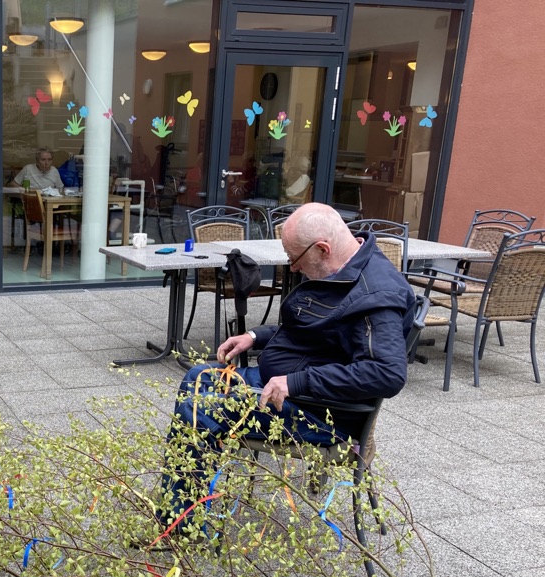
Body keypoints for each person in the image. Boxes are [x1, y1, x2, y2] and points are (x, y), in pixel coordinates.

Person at [162, 202, 416, 526]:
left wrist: (295, 383)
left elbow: (387, 373)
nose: (293, 268)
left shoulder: (376, 296)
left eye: (294, 258)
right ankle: (187, 503)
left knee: (199, 408)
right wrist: (255, 336)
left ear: (323, 249)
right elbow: (312, 328)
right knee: (199, 375)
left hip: (317, 412)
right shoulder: (345, 267)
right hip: (285, 387)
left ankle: (179, 525)